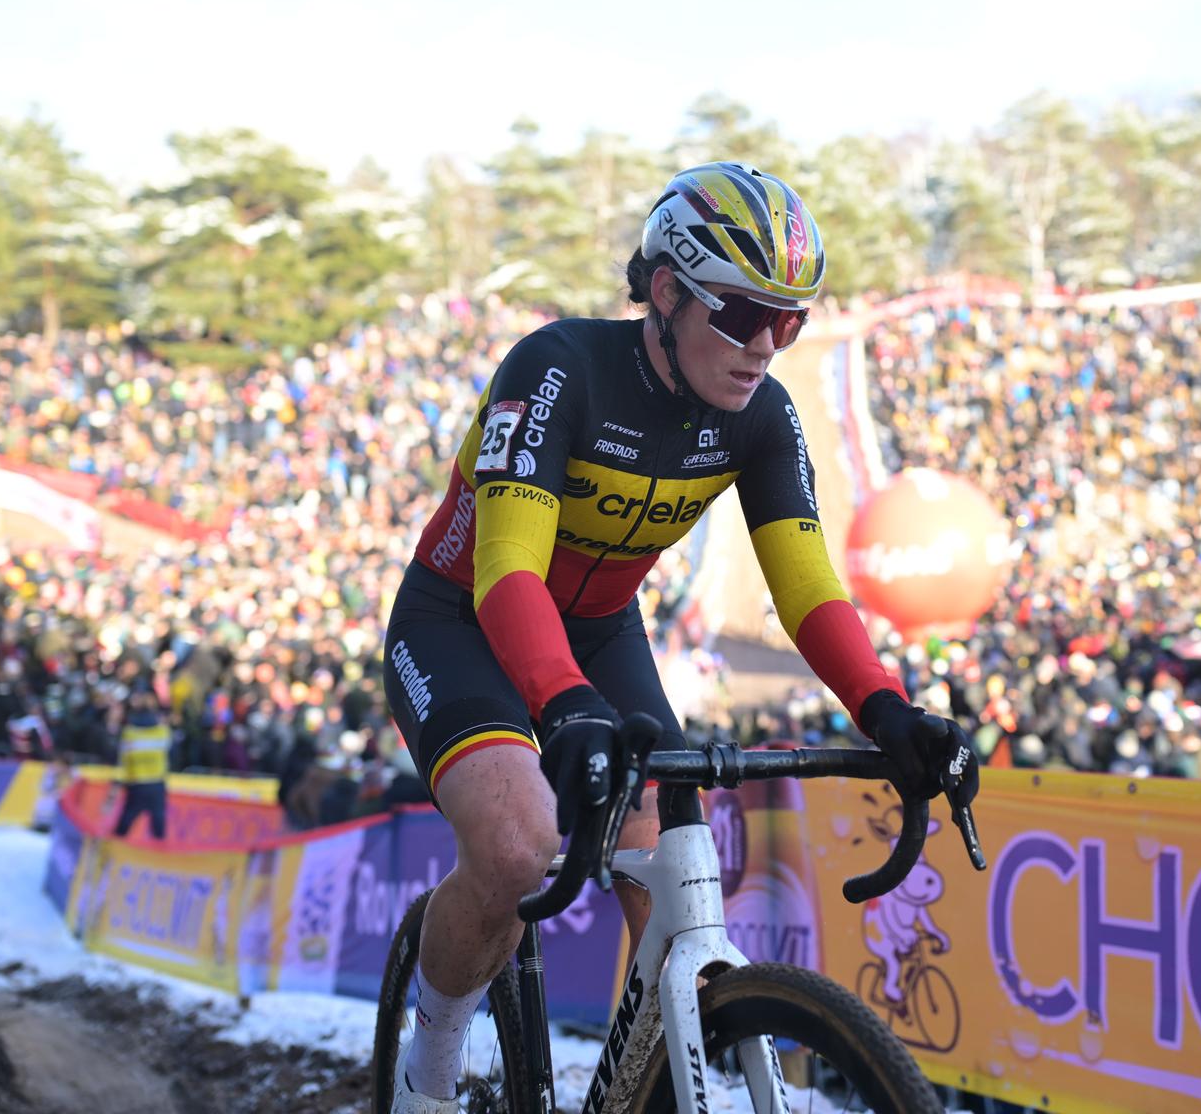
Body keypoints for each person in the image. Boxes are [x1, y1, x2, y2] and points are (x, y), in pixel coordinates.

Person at [381, 162, 981, 1112]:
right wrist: (566, 704)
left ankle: (641, 1091)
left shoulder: (761, 415)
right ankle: (429, 1074)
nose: (766, 348)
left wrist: (886, 707)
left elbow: (807, 588)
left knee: (672, 867)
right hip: (463, 618)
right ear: (665, 290)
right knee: (516, 843)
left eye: (791, 322)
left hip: (599, 631)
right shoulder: (557, 368)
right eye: (744, 315)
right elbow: (506, 575)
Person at [112, 685, 171, 840]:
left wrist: (119, 783)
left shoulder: (129, 733)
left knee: (123, 826)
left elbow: (123, 762)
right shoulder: (162, 731)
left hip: (136, 784)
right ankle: (158, 857)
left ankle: (111, 853)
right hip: (156, 784)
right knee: (159, 828)